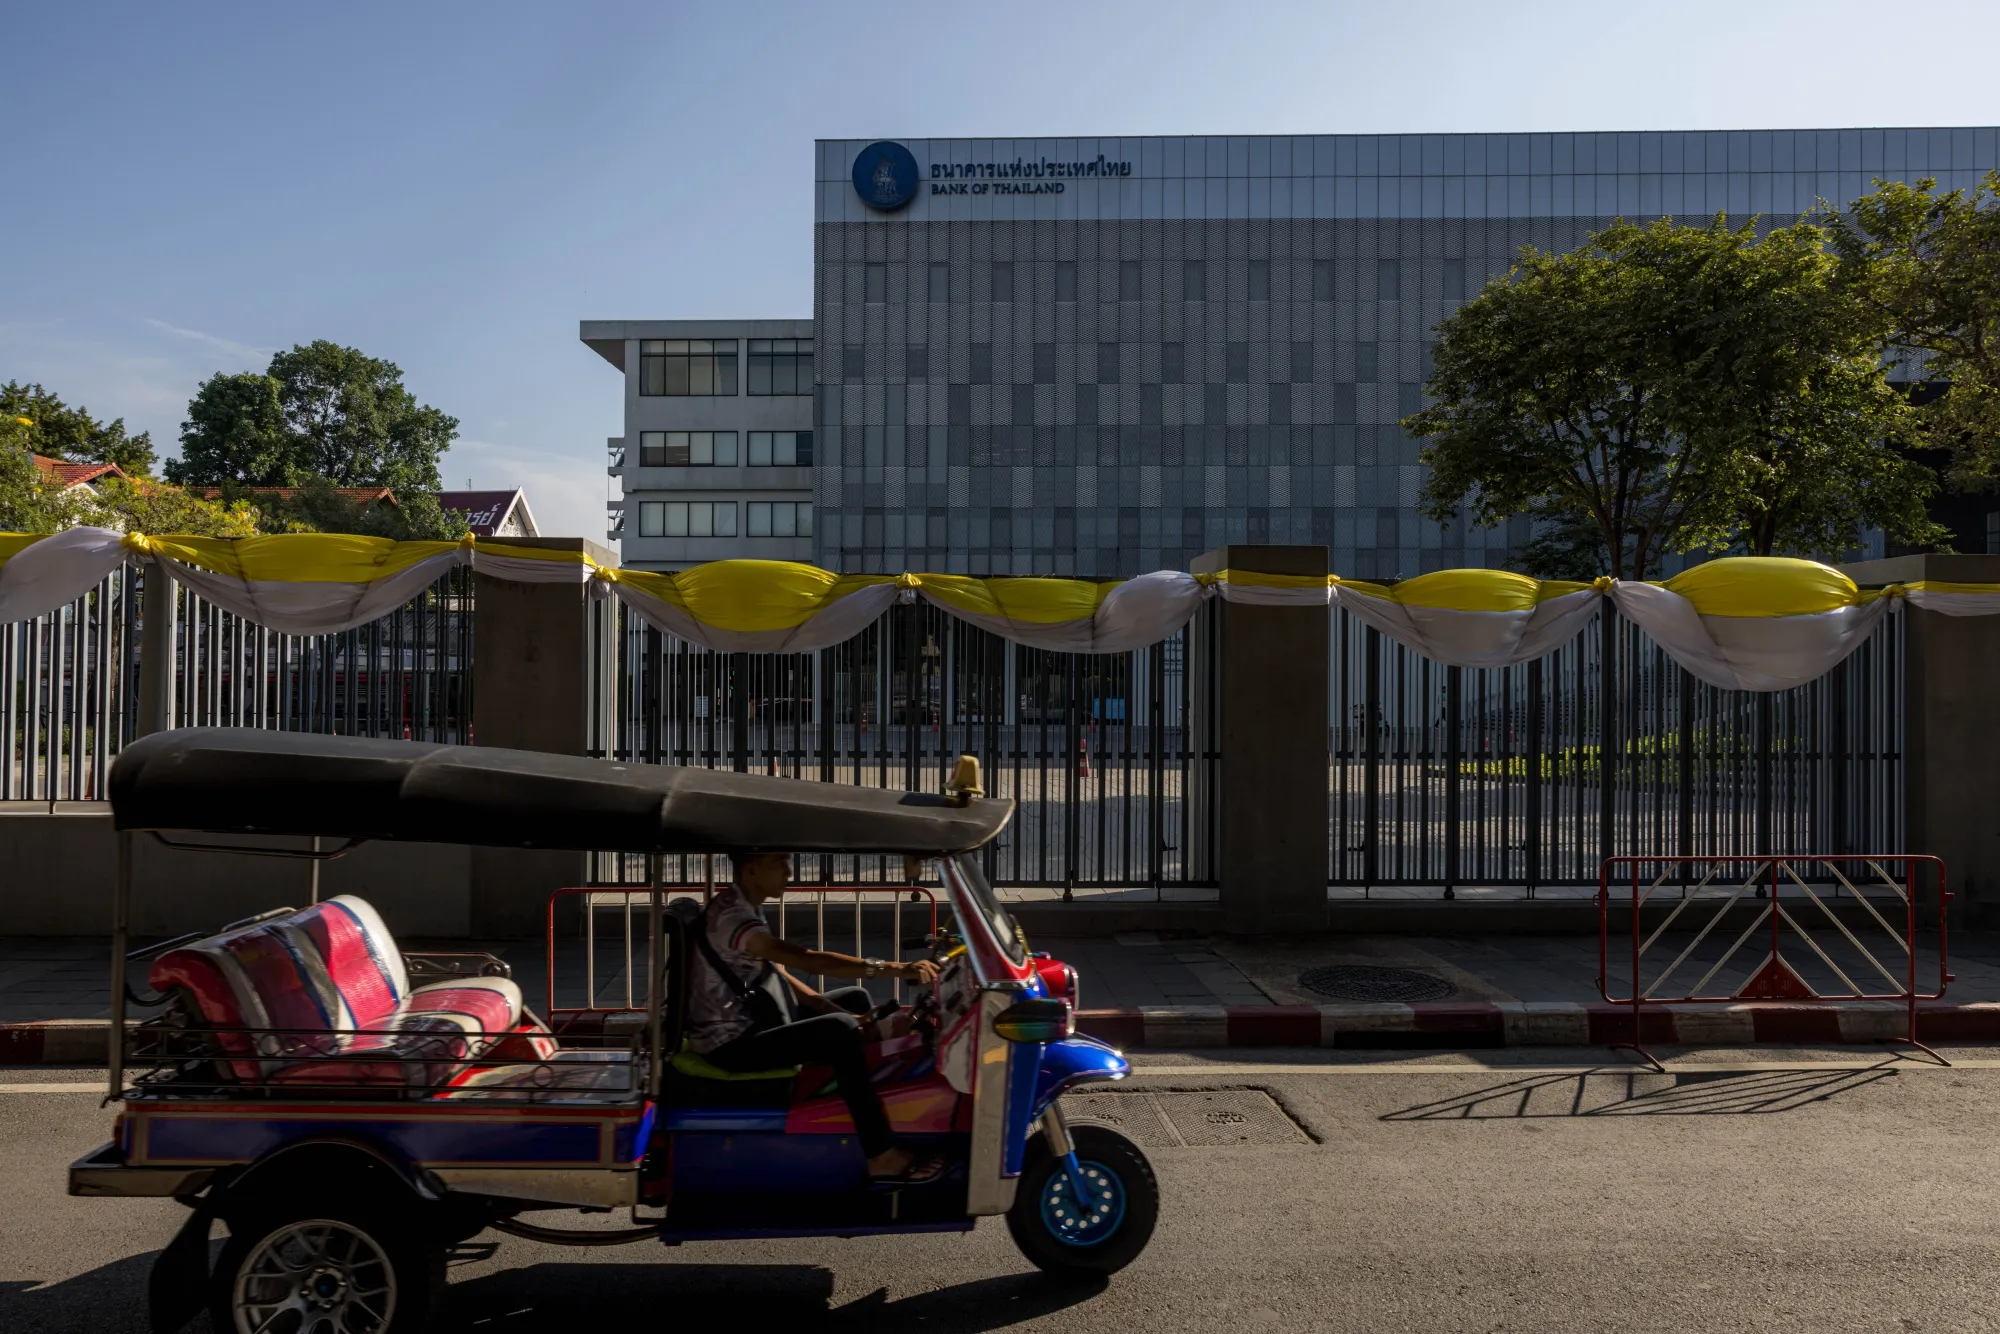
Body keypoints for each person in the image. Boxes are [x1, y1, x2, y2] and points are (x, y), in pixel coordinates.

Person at [689, 852, 945, 1185]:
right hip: (730, 1043)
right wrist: (895, 968)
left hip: (754, 1016)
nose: (789, 872)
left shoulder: (743, 905)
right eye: (779, 863)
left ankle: (855, 1102)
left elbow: (773, 970)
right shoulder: (734, 919)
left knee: (854, 1001)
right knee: (841, 1031)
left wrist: (828, 1008)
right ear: (751, 868)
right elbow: (808, 961)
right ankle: (881, 1154)